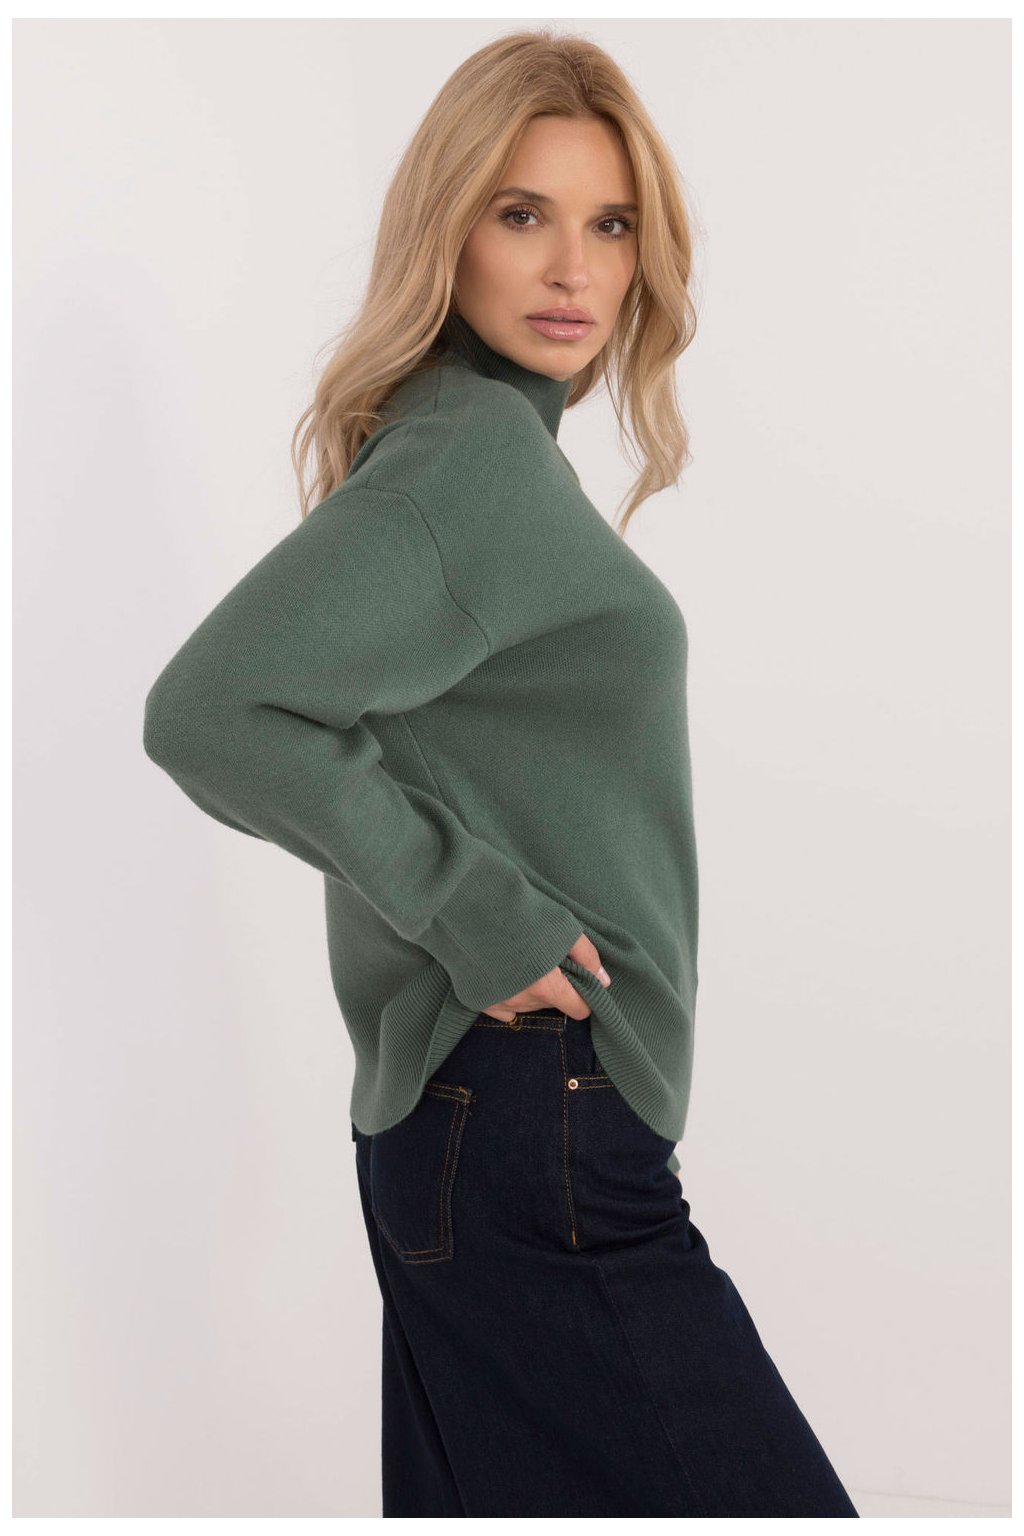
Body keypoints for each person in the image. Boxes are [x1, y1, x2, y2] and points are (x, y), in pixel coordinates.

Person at [143, 27, 859, 1520]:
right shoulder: (472, 459)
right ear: (446, 226)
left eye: (613, 225)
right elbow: (212, 711)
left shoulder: (475, 451)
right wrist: (482, 913)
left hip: (486, 1126)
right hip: (535, 1114)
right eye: (523, 213)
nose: (574, 269)